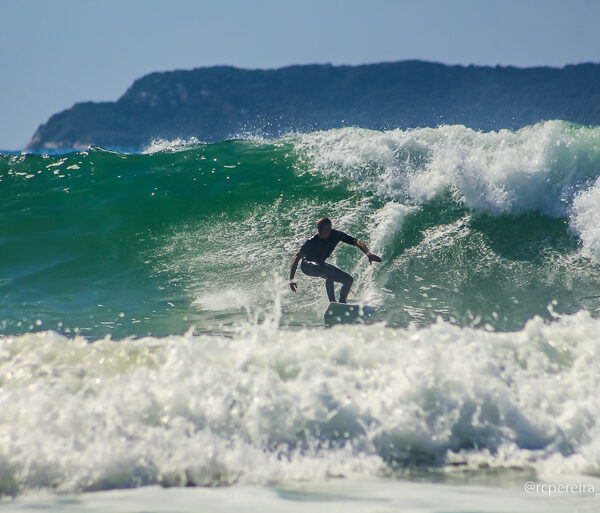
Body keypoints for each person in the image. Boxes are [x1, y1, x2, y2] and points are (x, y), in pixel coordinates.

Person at [289, 217, 382, 303]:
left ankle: (342, 302)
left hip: (321, 265)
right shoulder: (311, 241)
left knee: (348, 279)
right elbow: (296, 257)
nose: (330, 231)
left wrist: (368, 253)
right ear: (319, 230)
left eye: (330, 228)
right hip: (307, 266)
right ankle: (332, 302)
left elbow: (356, 241)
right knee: (329, 271)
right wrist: (292, 278)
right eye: (327, 229)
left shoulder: (335, 235)